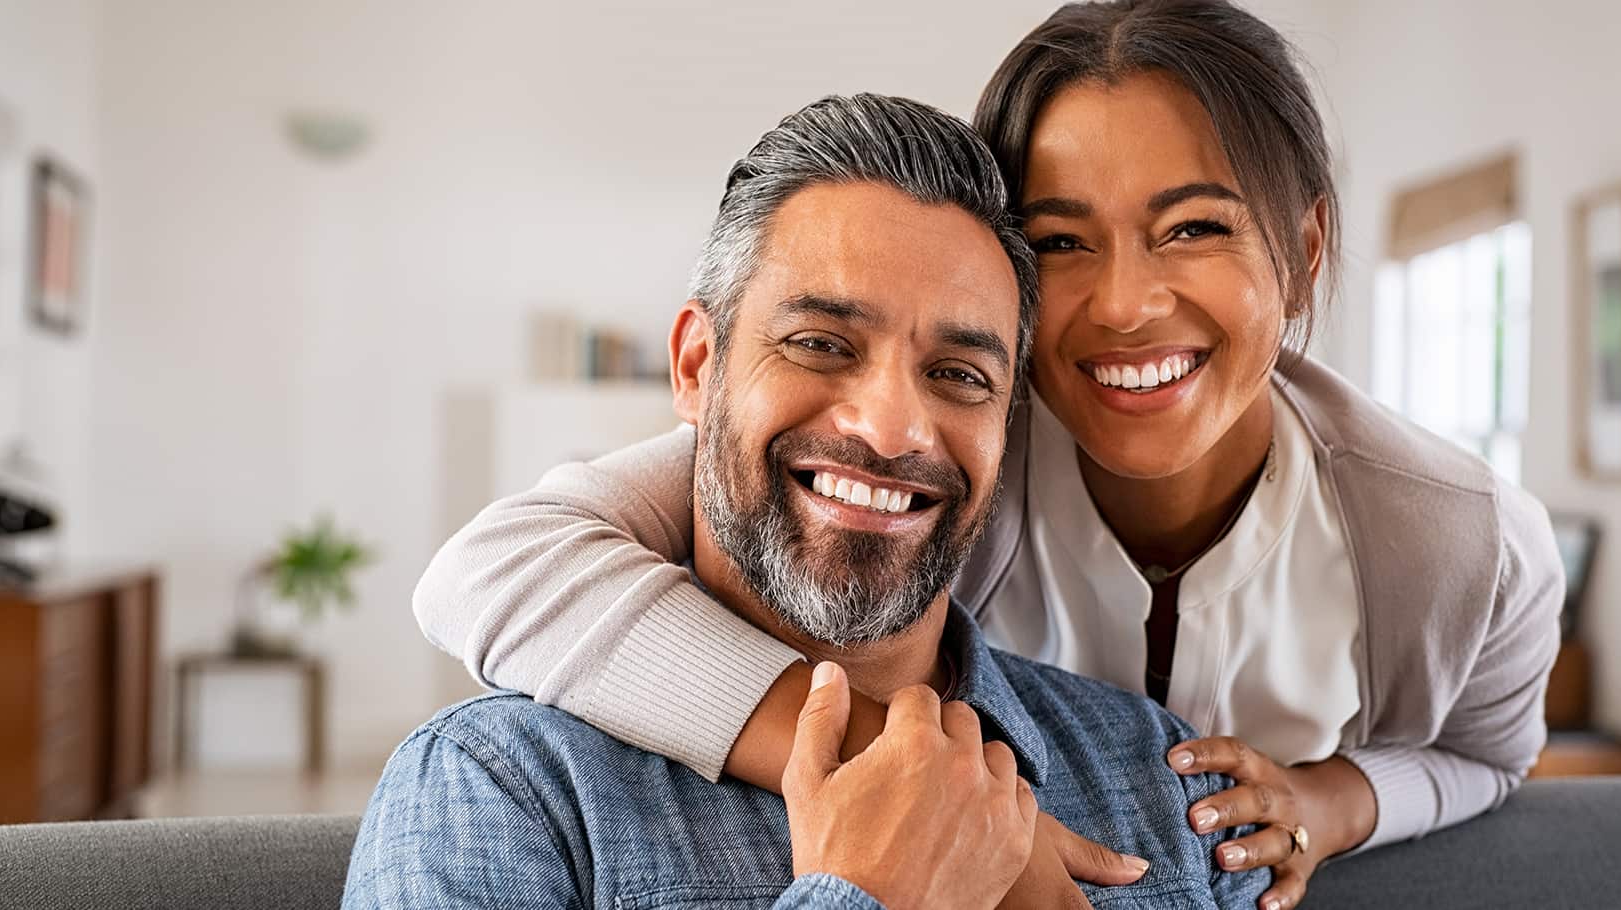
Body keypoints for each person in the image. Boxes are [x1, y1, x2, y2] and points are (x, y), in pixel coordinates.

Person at [415, 3, 1564, 908]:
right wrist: (916, 785)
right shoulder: (938, 450)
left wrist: (1334, 799)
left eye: (1194, 227)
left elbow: (1487, 755)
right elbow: (496, 566)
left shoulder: (1451, 537)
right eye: (1060, 240)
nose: (1123, 303)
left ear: (1302, 251)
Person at [348, 93, 1266, 909]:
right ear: (698, 368)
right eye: (821, 344)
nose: (891, 428)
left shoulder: (1163, 780)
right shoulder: (502, 791)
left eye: (958, 373)